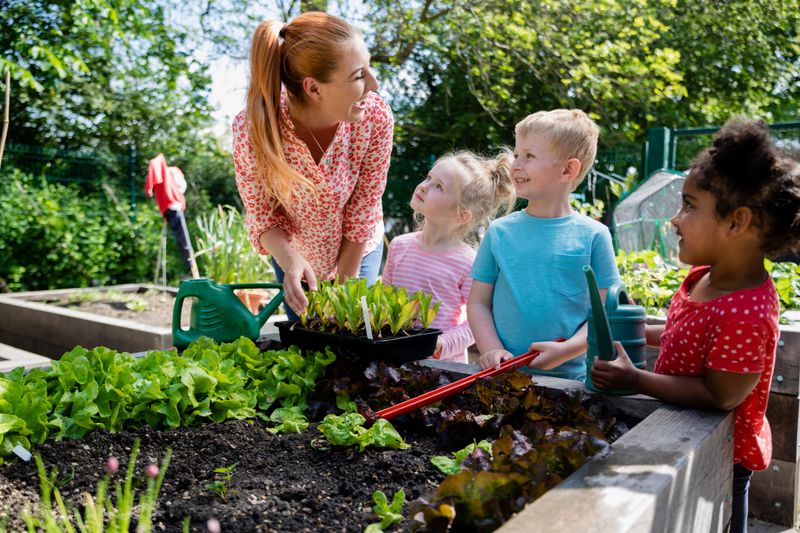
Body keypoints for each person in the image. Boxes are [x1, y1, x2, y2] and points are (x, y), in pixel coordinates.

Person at [590, 118, 800, 533]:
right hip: (680, 434)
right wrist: (625, 331)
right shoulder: (703, 277)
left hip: (721, 454)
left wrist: (636, 378)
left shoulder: (746, 312)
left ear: (736, 222)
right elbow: (677, 332)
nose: (674, 219)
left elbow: (719, 395)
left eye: (688, 205)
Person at [232, 12, 393, 319]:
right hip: (294, 256)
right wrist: (291, 261)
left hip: (357, 250)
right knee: (307, 345)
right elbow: (262, 215)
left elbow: (364, 209)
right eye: (359, 75)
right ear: (314, 88)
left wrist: (344, 292)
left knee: (350, 335)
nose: (373, 84)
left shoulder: (375, 118)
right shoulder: (253, 130)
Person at [468, 109, 620, 380]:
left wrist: (569, 349)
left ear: (567, 169)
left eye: (529, 156)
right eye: (517, 154)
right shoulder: (499, 232)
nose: (516, 164)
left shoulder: (594, 236)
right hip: (503, 377)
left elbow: (606, 313)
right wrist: (490, 350)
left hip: (572, 383)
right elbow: (478, 302)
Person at [382, 151, 516, 363]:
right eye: (429, 177)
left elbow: (476, 324)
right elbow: (383, 300)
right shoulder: (399, 246)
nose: (424, 186)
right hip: (395, 361)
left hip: (441, 369)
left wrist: (442, 344)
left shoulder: (469, 262)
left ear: (460, 215)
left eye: (439, 186)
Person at [144, 153, 198, 277]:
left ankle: (191, 270)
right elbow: (180, 188)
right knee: (184, 242)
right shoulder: (169, 171)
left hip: (168, 207)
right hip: (173, 207)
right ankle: (192, 270)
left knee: (183, 241)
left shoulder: (163, 170)